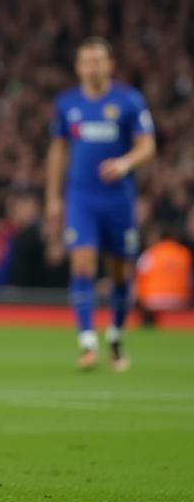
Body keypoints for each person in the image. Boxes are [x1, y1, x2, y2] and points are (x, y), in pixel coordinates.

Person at [46, 37, 156, 371]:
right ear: (78, 67)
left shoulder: (129, 101)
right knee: (82, 262)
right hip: (81, 198)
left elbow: (147, 145)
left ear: (110, 65)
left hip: (118, 200)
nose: (91, 67)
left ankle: (117, 336)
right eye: (85, 61)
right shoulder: (67, 104)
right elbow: (58, 151)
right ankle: (87, 343)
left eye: (97, 60)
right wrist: (53, 197)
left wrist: (125, 163)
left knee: (121, 271)